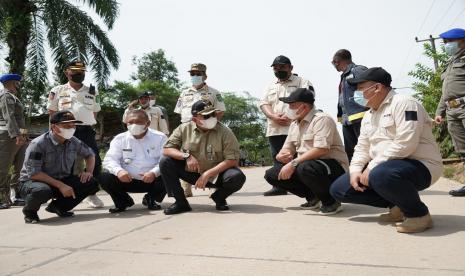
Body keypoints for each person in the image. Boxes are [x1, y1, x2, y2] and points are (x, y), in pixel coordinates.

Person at [329, 67, 443, 233]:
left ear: (377, 88)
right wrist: (355, 171)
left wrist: (372, 166)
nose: (356, 93)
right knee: (339, 189)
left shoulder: (405, 103)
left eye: (360, 88)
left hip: (421, 165)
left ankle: (419, 215)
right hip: (387, 166)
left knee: (380, 174)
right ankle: (398, 205)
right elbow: (362, 147)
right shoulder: (369, 115)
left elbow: (406, 143)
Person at [264, 88, 348, 215]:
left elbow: (322, 149)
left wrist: (293, 163)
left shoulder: (322, 119)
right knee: (272, 174)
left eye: (292, 105)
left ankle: (331, 202)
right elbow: (287, 147)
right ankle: (313, 197)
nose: (288, 109)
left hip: (332, 168)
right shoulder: (295, 124)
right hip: (308, 166)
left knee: (304, 167)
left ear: (303, 106)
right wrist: (282, 155)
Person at [160, 100, 245, 215]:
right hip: (192, 172)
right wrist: (186, 156)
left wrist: (207, 174)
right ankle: (180, 202)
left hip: (217, 175)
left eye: (213, 114)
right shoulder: (183, 128)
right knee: (166, 162)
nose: (212, 118)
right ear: (195, 119)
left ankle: (219, 197)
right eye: (206, 116)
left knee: (237, 177)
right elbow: (167, 149)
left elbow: (232, 160)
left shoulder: (225, 132)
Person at [18, 111, 99, 223]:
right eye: (66, 126)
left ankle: (59, 207)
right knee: (41, 191)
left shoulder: (73, 141)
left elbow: (90, 154)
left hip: (61, 179)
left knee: (91, 182)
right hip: (33, 182)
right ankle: (30, 213)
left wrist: (88, 172)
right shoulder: (38, 144)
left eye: (73, 126)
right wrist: (61, 186)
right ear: (54, 127)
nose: (71, 129)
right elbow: (34, 173)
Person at [47, 60, 104, 208]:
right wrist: (54, 131)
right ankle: (59, 193)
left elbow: (95, 110)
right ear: (67, 72)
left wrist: (89, 122)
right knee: (63, 163)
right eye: (75, 71)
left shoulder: (92, 90)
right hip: (64, 131)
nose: (79, 73)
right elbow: (52, 112)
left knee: (95, 160)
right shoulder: (57, 90)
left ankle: (91, 194)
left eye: (82, 71)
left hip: (85, 130)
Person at [260, 55, 314, 196]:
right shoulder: (270, 85)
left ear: (291, 67)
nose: (278, 70)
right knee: (278, 157)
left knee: (300, 157)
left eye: (282, 67)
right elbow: (263, 103)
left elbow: (308, 100)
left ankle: (305, 186)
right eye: (276, 68)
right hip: (275, 128)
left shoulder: (302, 81)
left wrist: (292, 118)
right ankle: (279, 186)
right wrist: (272, 116)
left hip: (297, 127)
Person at [174, 63, 226, 197]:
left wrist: (210, 125)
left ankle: (214, 185)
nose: (195, 76)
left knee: (213, 156)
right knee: (186, 157)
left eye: (198, 74)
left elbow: (220, 111)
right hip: (188, 130)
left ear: (205, 76)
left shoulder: (214, 92)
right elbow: (180, 112)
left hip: (207, 129)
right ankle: (186, 188)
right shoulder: (184, 93)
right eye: (192, 74)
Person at [99, 109, 167, 213]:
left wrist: (154, 172)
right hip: (127, 180)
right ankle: (123, 202)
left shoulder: (160, 137)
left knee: (170, 170)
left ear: (147, 123)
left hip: (153, 180)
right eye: (130, 122)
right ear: (126, 123)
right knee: (104, 176)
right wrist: (119, 171)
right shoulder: (119, 139)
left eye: (138, 122)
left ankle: (152, 199)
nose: (134, 125)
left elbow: (164, 159)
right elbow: (109, 160)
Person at [433, 28, 465, 197]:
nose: (447, 46)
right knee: (462, 149)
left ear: (462, 41)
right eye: (445, 43)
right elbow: (445, 93)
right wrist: (440, 112)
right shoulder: (451, 62)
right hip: (452, 110)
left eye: (449, 42)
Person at [332, 49, 368, 162]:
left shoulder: (357, 70)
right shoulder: (344, 76)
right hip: (347, 120)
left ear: (337, 61)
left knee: (365, 149)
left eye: (333, 63)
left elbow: (368, 89)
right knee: (351, 152)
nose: (334, 65)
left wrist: (366, 108)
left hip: (360, 118)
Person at [0, 73, 28, 209]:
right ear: (12, 83)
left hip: (19, 136)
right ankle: (1, 197)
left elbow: (19, 119)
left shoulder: (14, 97)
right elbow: (9, 116)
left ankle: (16, 195)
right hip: (8, 135)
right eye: (18, 82)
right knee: (3, 167)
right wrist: (16, 135)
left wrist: (23, 136)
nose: (19, 85)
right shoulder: (5, 96)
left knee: (20, 166)